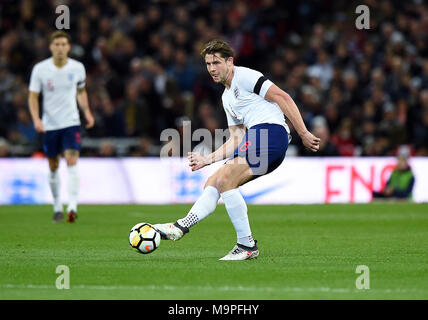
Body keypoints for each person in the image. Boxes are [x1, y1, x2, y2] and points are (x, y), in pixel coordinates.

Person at [154, 39, 320, 260]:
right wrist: (207, 159)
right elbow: (236, 138)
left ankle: (246, 245)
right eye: (208, 64)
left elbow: (283, 97)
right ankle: (181, 226)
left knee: (225, 179)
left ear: (230, 61)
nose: (212, 68)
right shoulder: (226, 97)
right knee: (214, 181)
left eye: (216, 62)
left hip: (270, 133)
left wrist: (304, 132)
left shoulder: (245, 76)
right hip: (257, 138)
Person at [28, 31, 95, 223]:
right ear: (51, 47)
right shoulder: (40, 70)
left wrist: (87, 112)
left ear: (68, 47)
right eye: (56, 44)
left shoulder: (78, 68)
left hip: (71, 122)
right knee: (53, 165)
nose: (60, 48)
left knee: (72, 161)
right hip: (50, 125)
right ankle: (57, 206)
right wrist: (36, 119)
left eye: (63, 44)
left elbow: (81, 91)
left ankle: (72, 206)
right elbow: (33, 96)